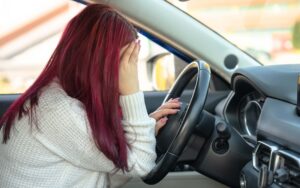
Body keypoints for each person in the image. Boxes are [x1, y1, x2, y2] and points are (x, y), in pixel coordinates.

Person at [0, 4, 181, 188]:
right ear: (100, 62)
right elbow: (142, 165)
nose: (128, 72)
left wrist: (145, 126)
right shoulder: (58, 110)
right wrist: (132, 91)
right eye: (126, 62)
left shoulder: (61, 96)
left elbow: (106, 173)